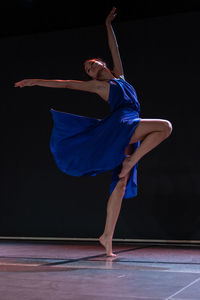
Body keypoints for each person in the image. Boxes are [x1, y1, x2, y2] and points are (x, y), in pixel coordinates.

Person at [14, 7, 172, 257]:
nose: (89, 69)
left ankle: (106, 236)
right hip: (120, 126)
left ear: (102, 64)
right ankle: (131, 160)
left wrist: (108, 24)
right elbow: (66, 84)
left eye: (91, 64)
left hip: (129, 125)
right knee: (164, 126)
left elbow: (114, 49)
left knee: (120, 185)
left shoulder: (120, 77)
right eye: (86, 69)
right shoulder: (100, 86)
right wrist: (34, 81)